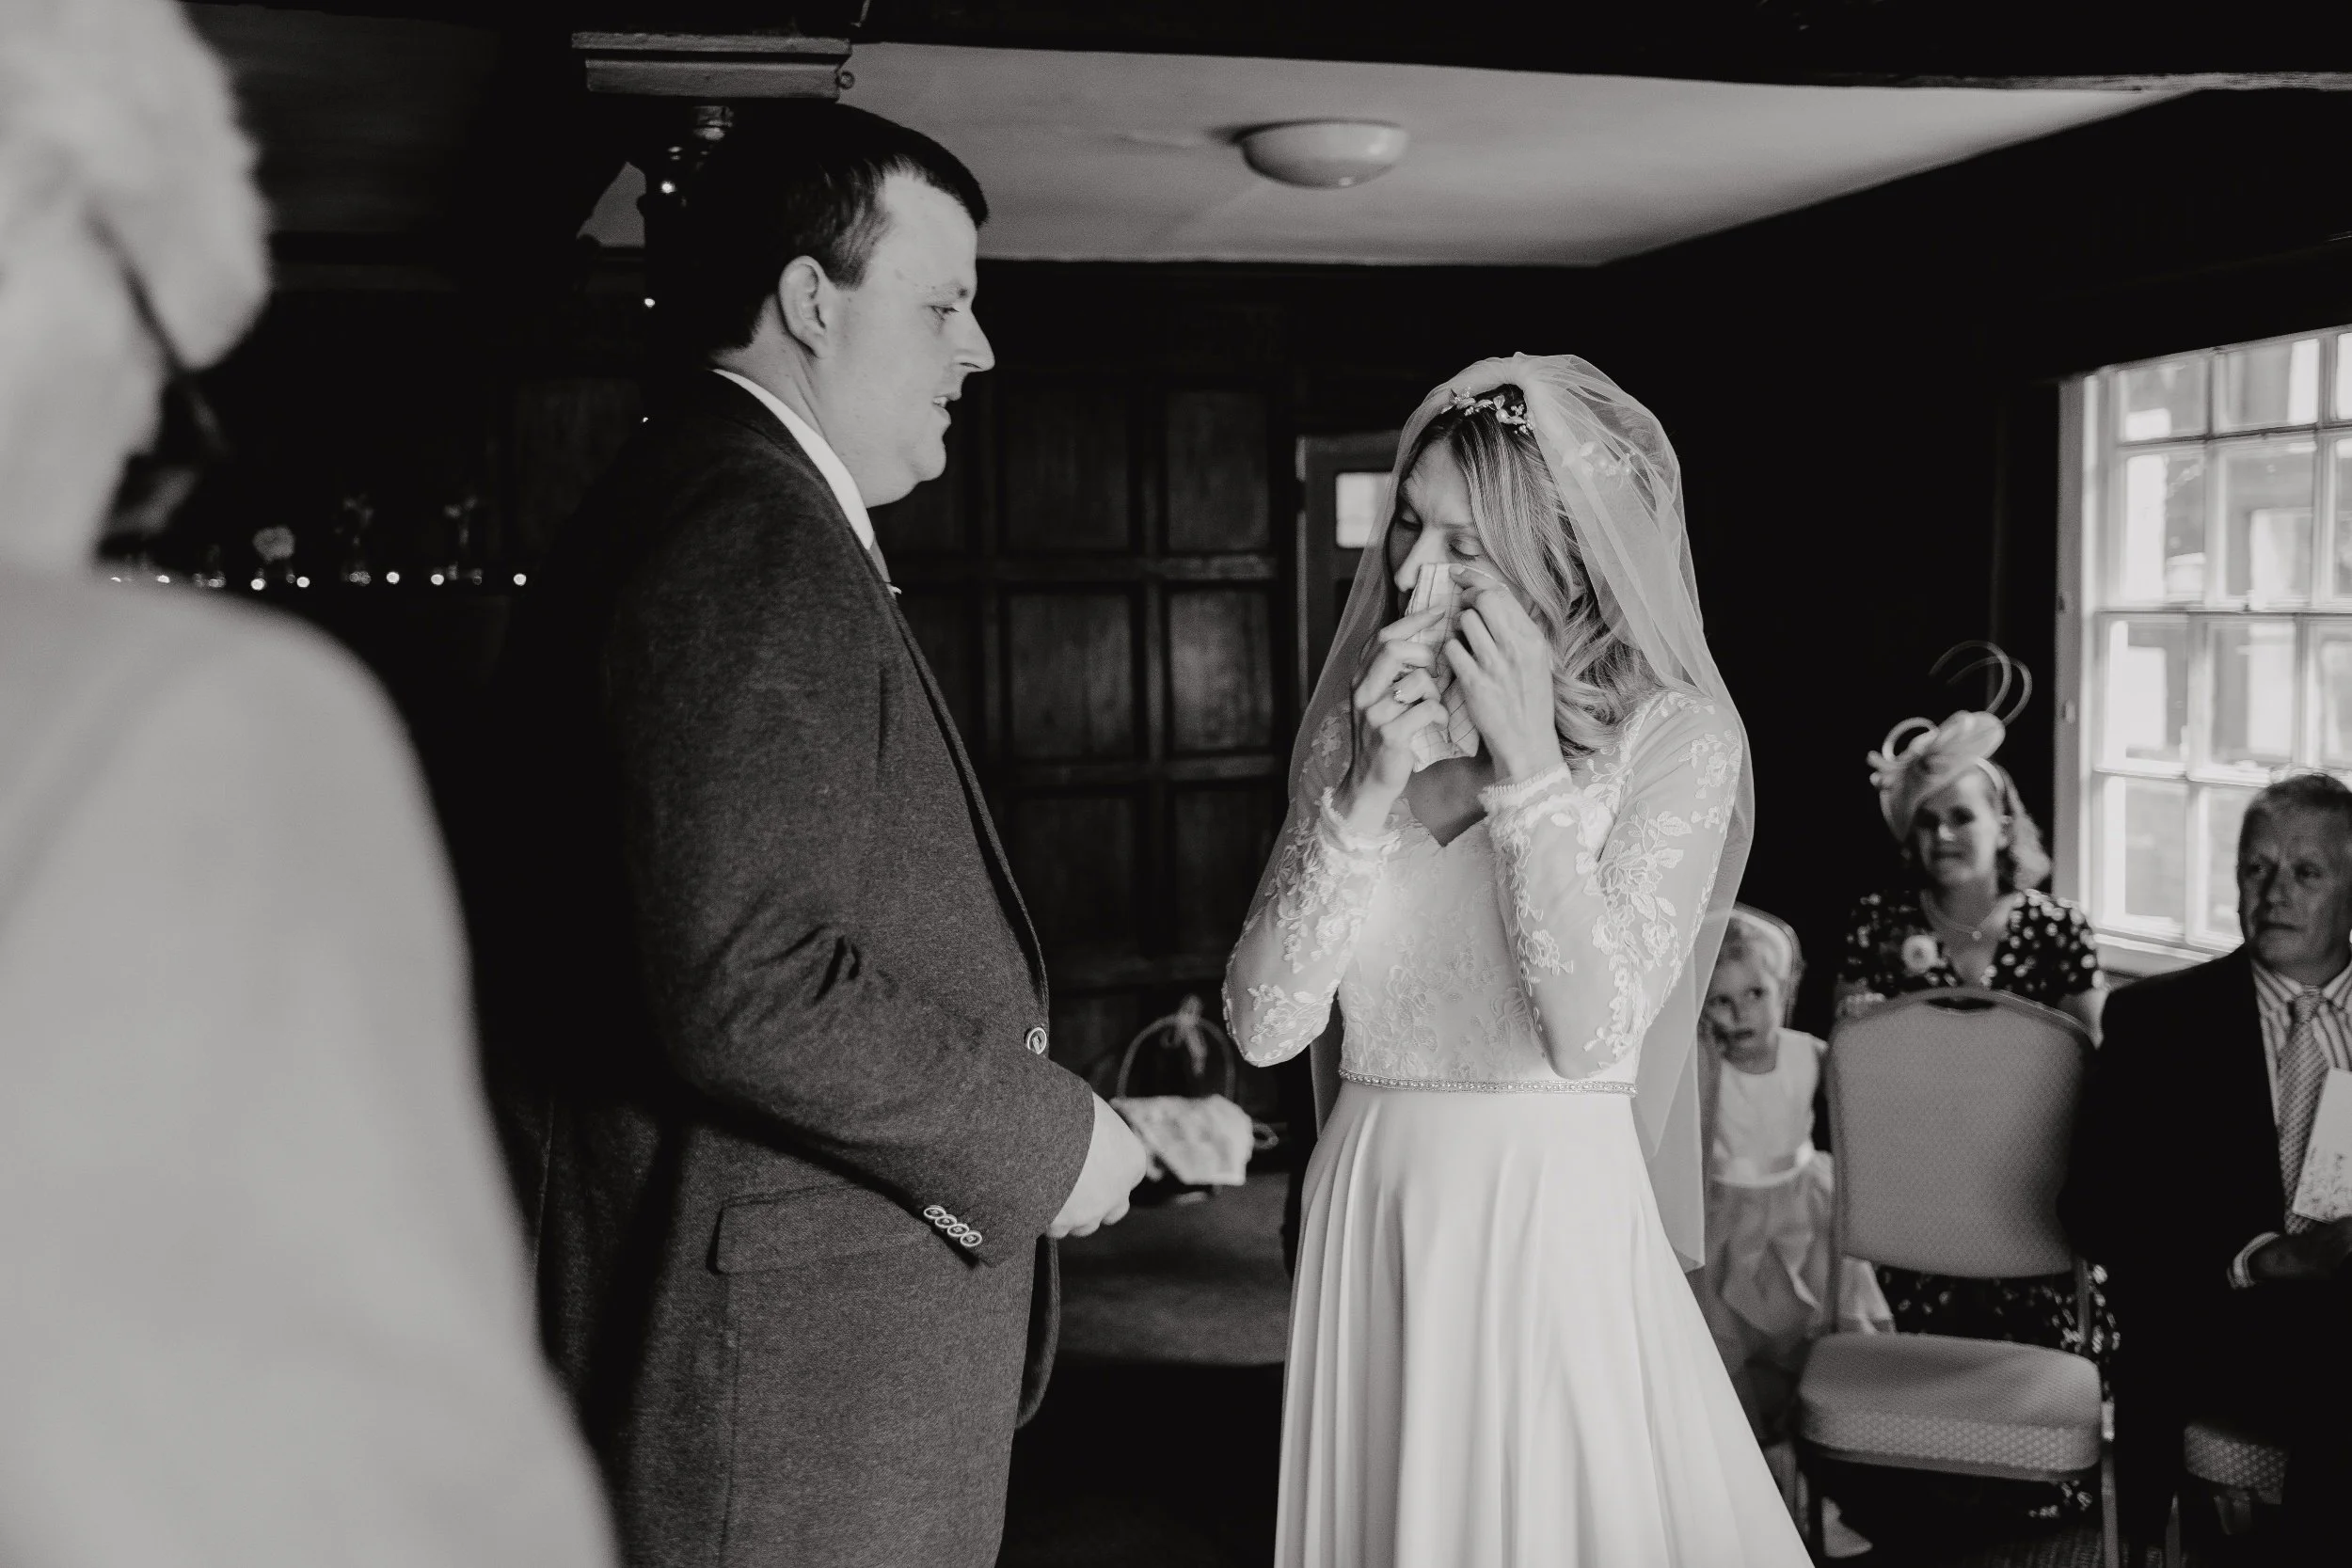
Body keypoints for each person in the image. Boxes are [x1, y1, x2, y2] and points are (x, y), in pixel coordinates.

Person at [483, 103, 1147, 1568]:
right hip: (774, 1397)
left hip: (777, 1359)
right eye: (944, 304)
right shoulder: (748, 525)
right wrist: (1048, 1138)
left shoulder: (716, 495)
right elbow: (747, 977)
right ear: (809, 300)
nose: (979, 349)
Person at [0, 3, 616, 1564]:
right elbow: (379, 1483)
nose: (152, 435)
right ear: (61, 247)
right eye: (163, 362)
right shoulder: (182, 719)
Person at [1224, 355, 1804, 1566]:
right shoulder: (1362, 725)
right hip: (1371, 1199)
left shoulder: (1675, 735)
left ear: (1563, 557)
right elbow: (1265, 1023)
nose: (1412, 575)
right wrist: (1360, 795)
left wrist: (1531, 765)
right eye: (1409, 527)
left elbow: (1590, 1035)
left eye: (1465, 547)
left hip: (1545, 1211)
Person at [2061, 772, 2352, 1555]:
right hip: (2220, 1326)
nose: (2274, 892)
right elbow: (2093, 1210)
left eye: (2306, 872)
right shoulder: (2160, 1021)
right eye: (2256, 867)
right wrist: (2263, 1257)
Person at [1832, 684, 2115, 1385]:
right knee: (1910, 1380)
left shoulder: (2058, 927)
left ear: (2003, 823)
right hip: (1915, 1184)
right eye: (1927, 822)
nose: (1943, 836)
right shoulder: (1879, 920)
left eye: (1961, 816)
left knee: (2030, 1377)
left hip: (2033, 1186)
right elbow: (1848, 1066)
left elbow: (2093, 1060)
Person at [1693, 907, 1889, 1449]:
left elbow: (1864, 1092)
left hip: (1805, 1207)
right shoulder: (1707, 1067)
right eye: (1720, 1000)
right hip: (1728, 1215)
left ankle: (1823, 1454)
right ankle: (1761, 1457)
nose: (1741, 1014)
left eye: (1756, 993)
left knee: (1820, 1326)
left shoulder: (1808, 1052)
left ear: (1783, 988)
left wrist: (1860, 1027)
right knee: (1730, 1334)